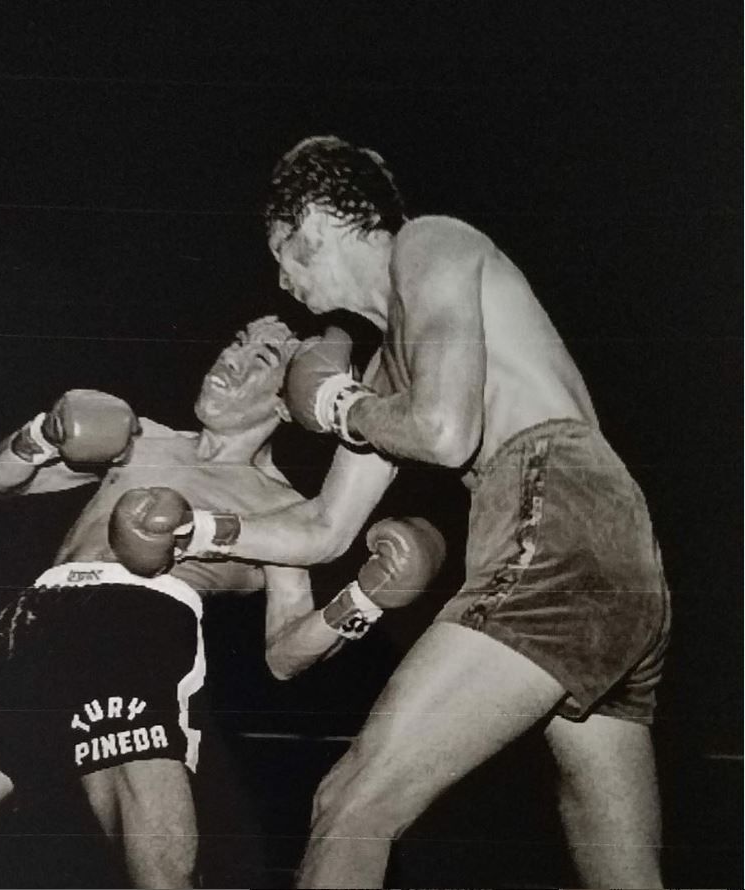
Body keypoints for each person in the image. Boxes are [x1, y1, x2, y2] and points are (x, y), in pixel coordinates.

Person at [126, 138, 672, 889]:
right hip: (613, 559)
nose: (280, 277)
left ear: (315, 219)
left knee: (351, 801)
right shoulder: (389, 368)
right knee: (624, 871)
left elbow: (446, 435)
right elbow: (325, 530)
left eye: (281, 250)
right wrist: (206, 527)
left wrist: (343, 405)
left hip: (554, 511)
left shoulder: (429, 242)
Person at [0, 314, 447, 889]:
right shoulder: (140, 437)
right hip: (28, 631)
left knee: (162, 873)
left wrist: (363, 600)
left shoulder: (280, 507)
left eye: (259, 360)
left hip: (137, 639)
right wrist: (42, 433)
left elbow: (285, 654)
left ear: (287, 401)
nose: (228, 361)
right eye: (236, 343)